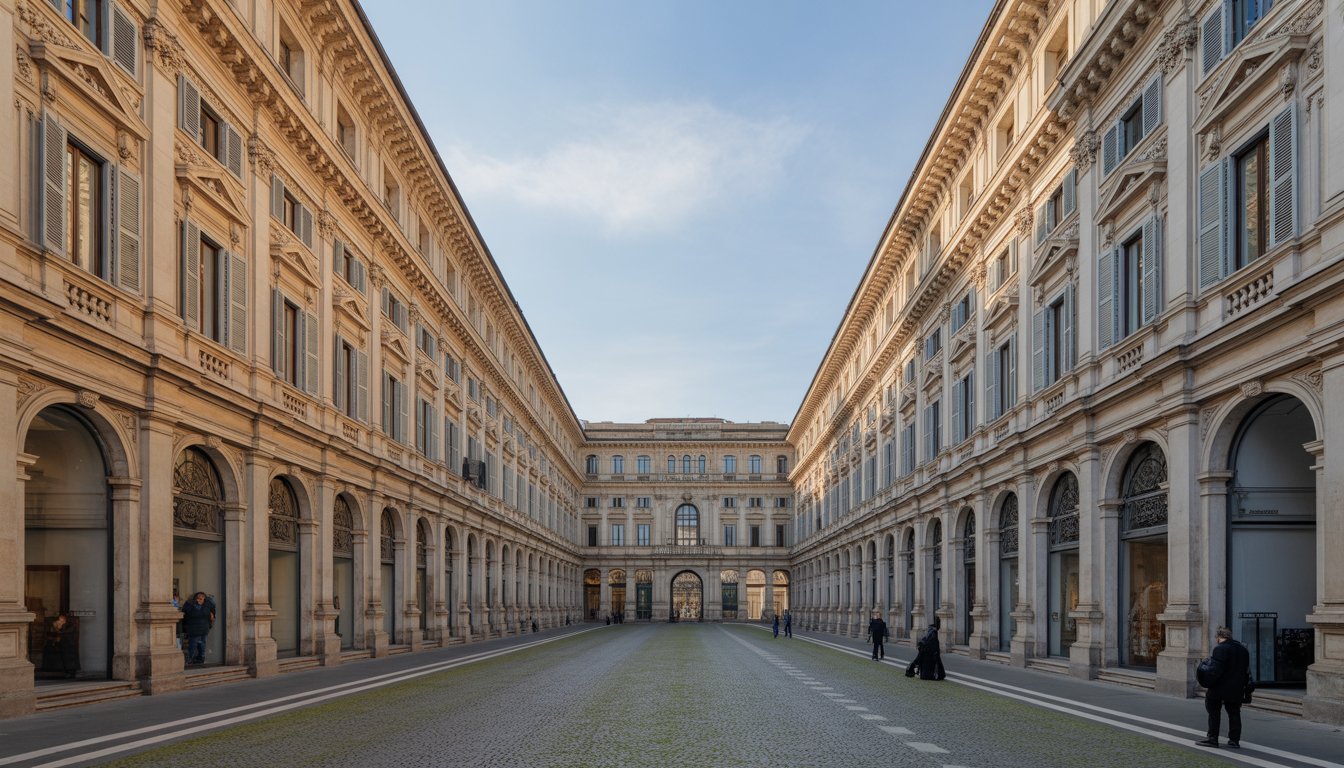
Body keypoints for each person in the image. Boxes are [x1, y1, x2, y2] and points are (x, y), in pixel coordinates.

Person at [1197, 626, 1251, 749]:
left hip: (1220, 687)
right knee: (1234, 713)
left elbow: (1215, 671)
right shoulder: (1243, 649)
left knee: (1213, 712)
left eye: (1216, 637)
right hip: (1237, 688)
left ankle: (1212, 738)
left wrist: (1208, 684)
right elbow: (1247, 671)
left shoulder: (1220, 649)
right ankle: (1234, 740)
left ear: (1219, 637)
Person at [181, 591, 215, 665]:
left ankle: (200, 660)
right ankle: (190, 660)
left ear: (204, 599)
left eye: (202, 598)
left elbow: (212, 614)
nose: (199, 599)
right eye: (198, 598)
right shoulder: (190, 603)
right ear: (195, 598)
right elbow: (185, 613)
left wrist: (210, 623)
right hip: (194, 629)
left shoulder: (208, 604)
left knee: (202, 646)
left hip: (204, 629)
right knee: (193, 646)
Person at [43, 612, 80, 678]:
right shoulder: (59, 624)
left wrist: (58, 628)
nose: (60, 620)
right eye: (59, 618)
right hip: (62, 644)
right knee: (63, 658)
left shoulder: (70, 625)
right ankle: (66, 671)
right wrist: (56, 627)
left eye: (61, 618)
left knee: (69, 659)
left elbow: (64, 633)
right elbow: (54, 633)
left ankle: (71, 672)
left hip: (69, 644)